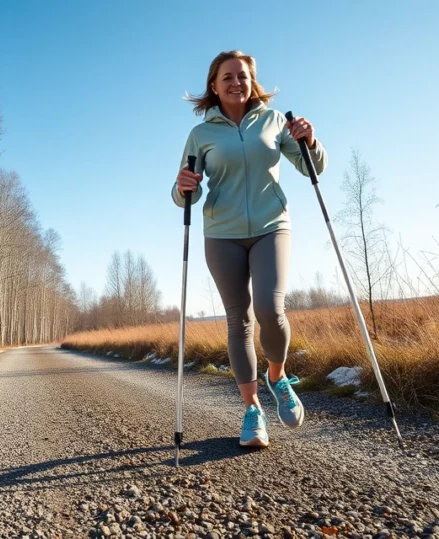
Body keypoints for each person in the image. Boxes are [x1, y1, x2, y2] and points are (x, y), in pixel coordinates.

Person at [171, 50, 327, 448]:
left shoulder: (274, 121)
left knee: (270, 309)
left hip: (271, 226)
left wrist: (310, 141)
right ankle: (252, 410)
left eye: (242, 75)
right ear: (214, 85)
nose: (236, 82)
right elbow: (185, 191)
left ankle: (277, 376)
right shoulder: (201, 134)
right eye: (227, 77)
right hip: (220, 234)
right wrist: (182, 187)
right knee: (238, 319)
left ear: (251, 81)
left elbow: (311, 166)